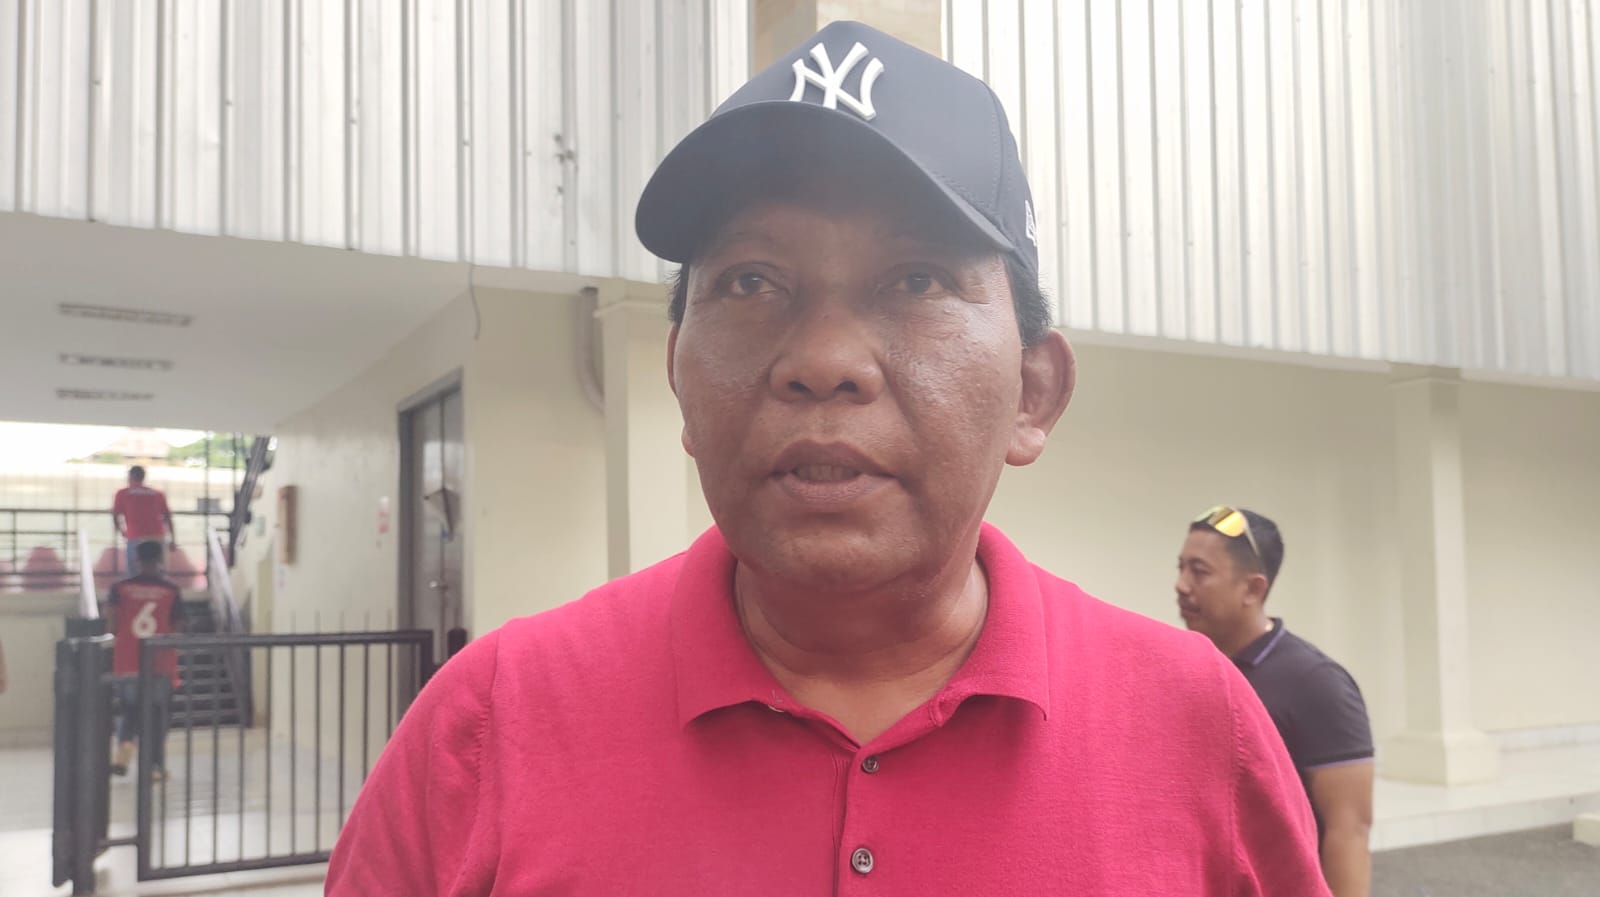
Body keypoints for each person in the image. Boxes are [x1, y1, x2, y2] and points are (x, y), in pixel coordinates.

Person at [328, 21, 1330, 895]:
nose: (823, 361)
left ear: (1033, 393)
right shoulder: (486, 724)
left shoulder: (1199, 725)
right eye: (752, 281)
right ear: (679, 379)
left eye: (916, 279)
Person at [1178, 506, 1376, 897]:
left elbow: (1348, 830)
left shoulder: (1317, 683)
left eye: (1199, 572)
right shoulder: (1193, 666)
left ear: (1253, 589)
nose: (1182, 585)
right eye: (1181, 568)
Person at [104, 539, 186, 779]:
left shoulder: (119, 589)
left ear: (137, 560)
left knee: (129, 709)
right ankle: (155, 766)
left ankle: (124, 749)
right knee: (157, 714)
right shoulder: (171, 591)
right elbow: (178, 626)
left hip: (127, 660)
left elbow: (111, 622)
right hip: (160, 662)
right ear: (160, 560)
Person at [112, 465, 176, 575]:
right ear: (143, 477)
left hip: (135, 536)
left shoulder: (123, 493)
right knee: (159, 572)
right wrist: (173, 539)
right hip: (157, 537)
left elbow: (115, 515)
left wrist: (122, 532)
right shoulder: (157, 494)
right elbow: (168, 517)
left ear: (130, 476)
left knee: (134, 573)